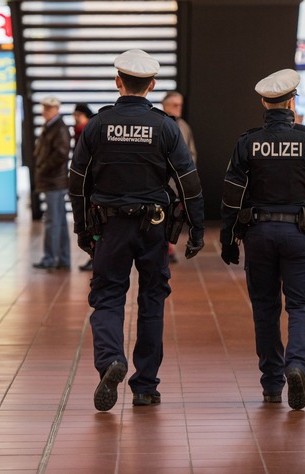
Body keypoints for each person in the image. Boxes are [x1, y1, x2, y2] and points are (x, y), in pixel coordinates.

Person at [69, 49, 204, 411]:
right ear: (152, 85)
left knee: (108, 296)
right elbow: (188, 181)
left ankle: (111, 360)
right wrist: (197, 228)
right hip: (154, 227)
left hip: (109, 226)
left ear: (118, 82)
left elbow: (77, 180)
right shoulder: (165, 126)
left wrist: (83, 227)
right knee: (152, 301)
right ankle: (145, 386)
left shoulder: (98, 125)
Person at [220, 69, 305, 410]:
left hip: (258, 234)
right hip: (298, 235)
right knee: (301, 304)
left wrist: (229, 237)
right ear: (292, 101)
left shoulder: (248, 142)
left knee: (265, 307)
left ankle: (272, 383)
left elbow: (232, 195)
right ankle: (297, 365)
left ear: (264, 102)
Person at [31, 96, 72, 271]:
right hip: (53, 181)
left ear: (57, 109)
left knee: (52, 222)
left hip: (54, 181)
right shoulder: (50, 127)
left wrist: (43, 168)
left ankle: (50, 258)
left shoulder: (58, 128)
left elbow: (60, 155)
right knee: (59, 221)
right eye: (44, 107)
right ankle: (62, 258)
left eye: (49, 108)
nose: (45, 111)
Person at [162, 91, 197, 263]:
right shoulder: (159, 124)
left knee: (174, 218)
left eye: (180, 105)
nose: (179, 108)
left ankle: (169, 248)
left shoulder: (184, 126)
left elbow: (191, 154)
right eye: (175, 105)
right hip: (160, 184)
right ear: (165, 105)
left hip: (178, 184)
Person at [72, 103, 95, 272]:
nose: (76, 120)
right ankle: (94, 256)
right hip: (85, 183)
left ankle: (96, 257)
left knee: (93, 222)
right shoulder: (78, 132)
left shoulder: (88, 133)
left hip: (91, 185)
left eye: (78, 116)